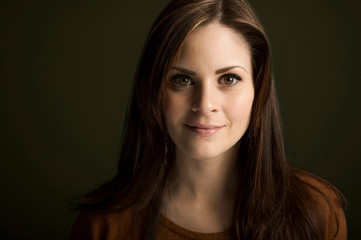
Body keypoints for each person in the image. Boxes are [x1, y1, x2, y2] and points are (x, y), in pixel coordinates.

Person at [70, 0, 347, 239]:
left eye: (229, 79)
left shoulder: (316, 212)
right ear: (153, 91)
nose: (205, 105)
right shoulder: (102, 225)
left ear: (258, 90)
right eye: (182, 79)